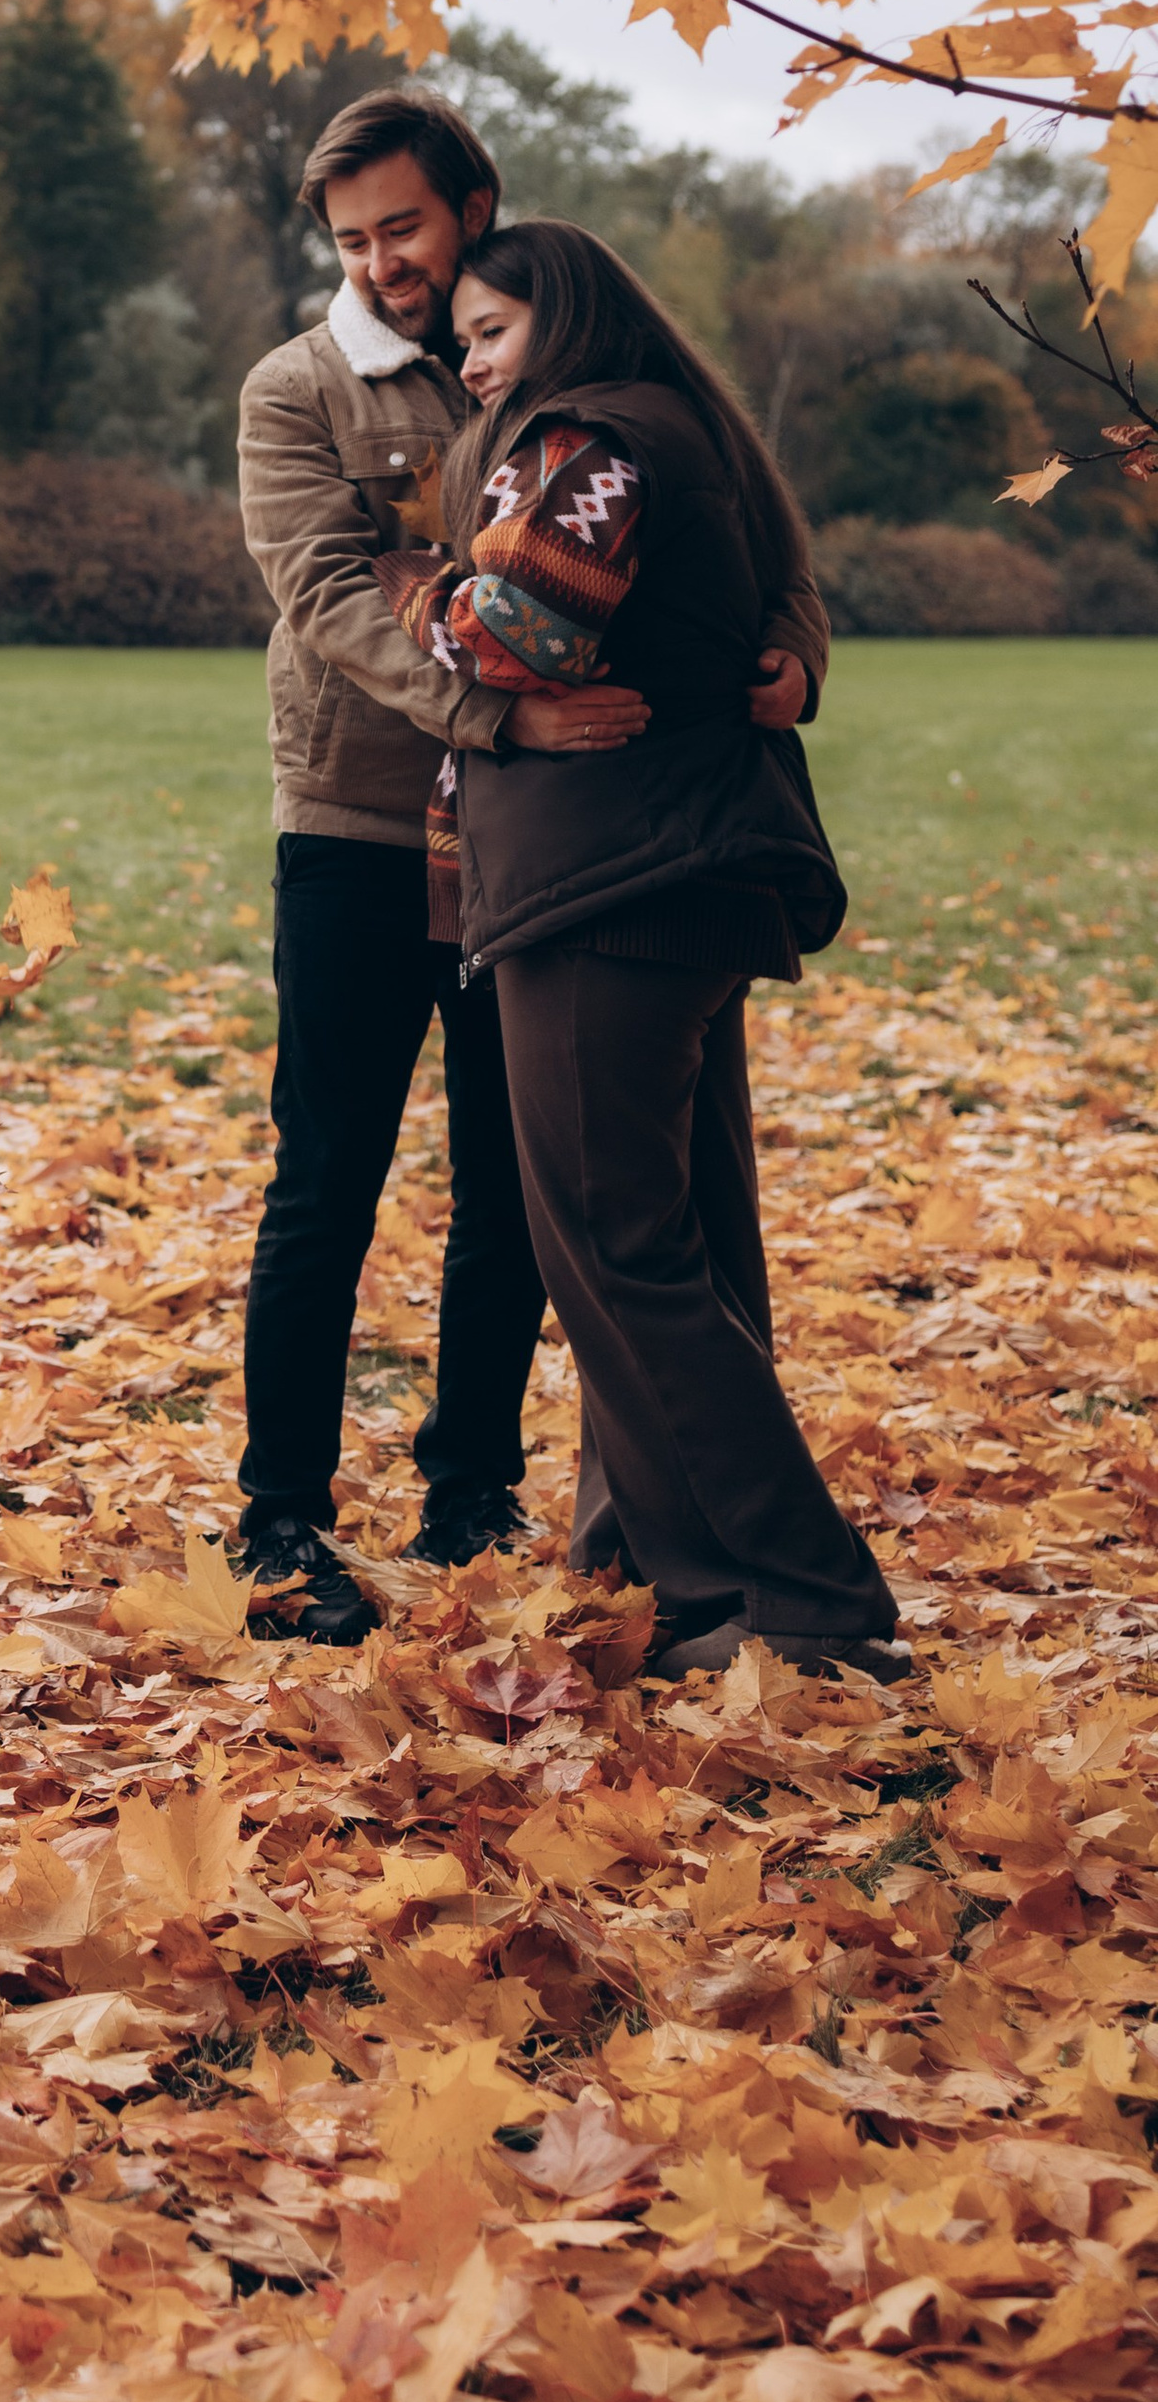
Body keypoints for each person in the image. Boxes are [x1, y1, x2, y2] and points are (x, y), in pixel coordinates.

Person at [234, 88, 823, 1644]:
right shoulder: (300, 391)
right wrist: (497, 708)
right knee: (328, 1176)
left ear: (473, 204)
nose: (382, 264)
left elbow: (747, 527)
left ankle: (472, 1484)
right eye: (354, 241)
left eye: (406, 227)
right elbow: (327, 600)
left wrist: (795, 652)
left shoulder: (564, 348)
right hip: (364, 823)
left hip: (556, 845)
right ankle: (280, 1509)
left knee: (520, 1186)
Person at [383, 219, 899, 1681]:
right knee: (688, 1234)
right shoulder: (694, 433)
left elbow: (511, 631)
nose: (471, 363)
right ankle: (648, 1558)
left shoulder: (590, 440)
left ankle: (798, 1597)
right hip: (679, 870)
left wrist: (415, 587)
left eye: (489, 334)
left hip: (609, 878)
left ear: (566, 321)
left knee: (612, 1239)